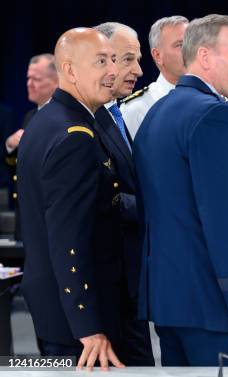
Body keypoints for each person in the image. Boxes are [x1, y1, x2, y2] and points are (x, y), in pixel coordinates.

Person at [133, 14, 228, 366]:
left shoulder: (157, 112)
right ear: (205, 57)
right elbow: (224, 221)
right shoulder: (214, 116)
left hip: (168, 303)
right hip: (213, 307)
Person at [17, 27, 124, 371]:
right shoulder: (74, 136)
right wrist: (88, 326)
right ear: (71, 71)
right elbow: (68, 239)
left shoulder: (46, 120)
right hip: (77, 322)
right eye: (100, 62)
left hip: (55, 306)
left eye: (112, 60)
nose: (112, 71)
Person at [92, 22, 154, 366]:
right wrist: (160, 207)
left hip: (129, 281)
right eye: (129, 59)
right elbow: (102, 199)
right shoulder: (84, 120)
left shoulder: (115, 112)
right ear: (103, 60)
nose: (139, 70)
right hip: (107, 288)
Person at [6, 54, 58, 240]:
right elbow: (18, 169)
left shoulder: (61, 117)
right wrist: (10, 147)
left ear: (56, 81)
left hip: (47, 224)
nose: (29, 83)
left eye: (35, 79)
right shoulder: (30, 116)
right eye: (28, 78)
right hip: (27, 221)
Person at [121, 15, 188, 137]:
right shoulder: (136, 110)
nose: (190, 50)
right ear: (158, 55)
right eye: (180, 45)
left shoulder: (214, 97)